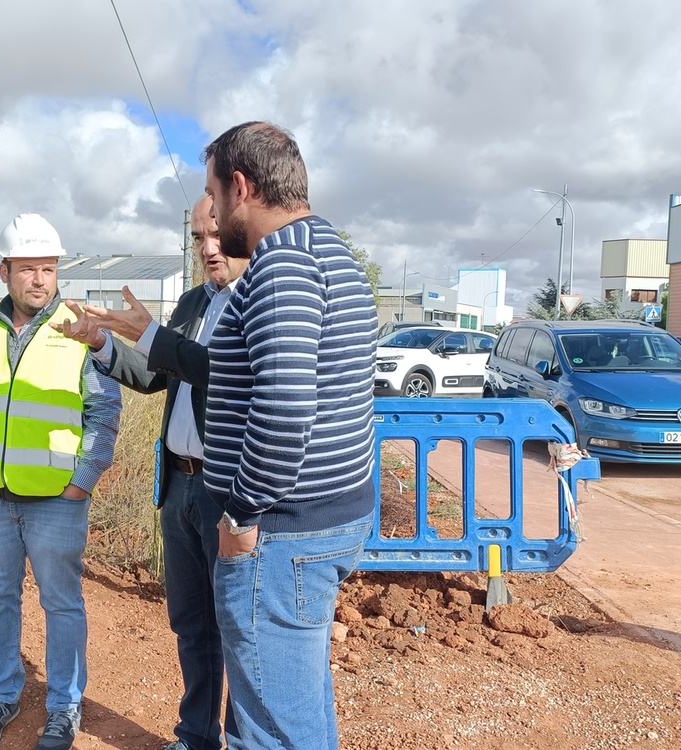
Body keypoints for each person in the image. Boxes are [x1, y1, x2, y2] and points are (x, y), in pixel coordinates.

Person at [201, 122, 378, 750]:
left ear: (242, 186)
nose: (215, 212)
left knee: (270, 727)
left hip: (282, 530)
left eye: (215, 194)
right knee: (298, 703)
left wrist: (242, 512)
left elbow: (284, 409)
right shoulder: (327, 249)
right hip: (322, 516)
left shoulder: (282, 265)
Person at [53, 194, 247, 750]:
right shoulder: (192, 303)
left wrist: (154, 337)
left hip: (226, 489)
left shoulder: (257, 302)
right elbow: (158, 374)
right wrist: (102, 343)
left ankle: (240, 739)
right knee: (191, 623)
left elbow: (222, 373)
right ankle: (196, 736)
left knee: (236, 627)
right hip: (180, 483)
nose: (209, 249)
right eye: (197, 239)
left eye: (217, 235)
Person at [0, 213, 121, 750]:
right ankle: (2, 696)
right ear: (4, 272)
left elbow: (104, 411)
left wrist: (81, 482)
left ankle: (63, 707)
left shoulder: (78, 326)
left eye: (48, 268)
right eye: (27, 269)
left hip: (55, 502)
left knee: (61, 602)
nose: (40, 280)